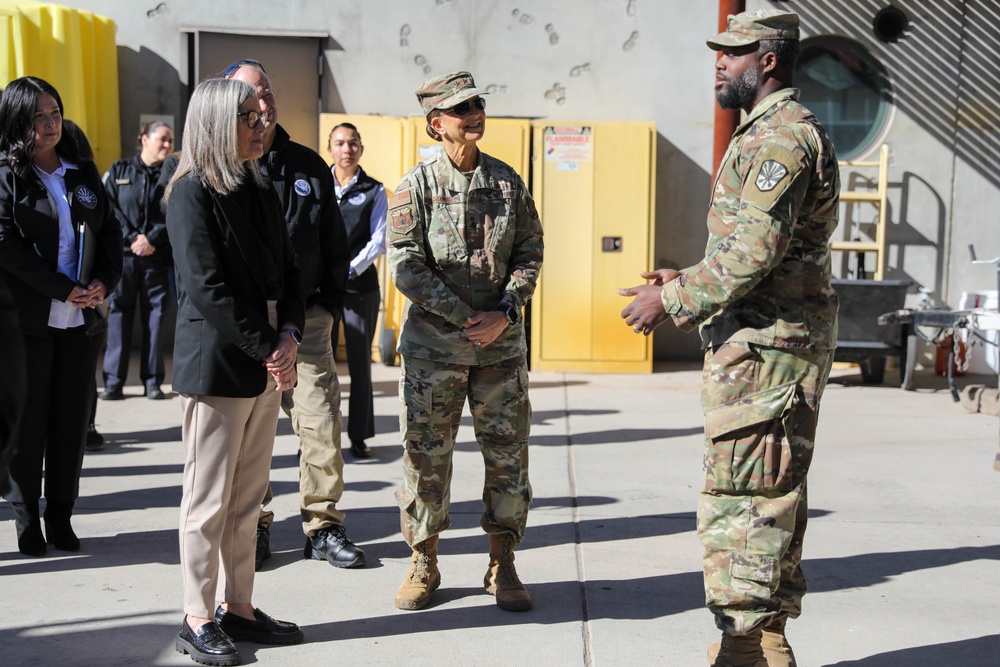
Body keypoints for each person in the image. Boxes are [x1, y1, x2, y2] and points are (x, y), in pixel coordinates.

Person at [618, 10, 839, 667]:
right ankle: (766, 640)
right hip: (766, 350)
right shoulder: (770, 132)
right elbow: (760, 252)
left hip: (766, 359)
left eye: (733, 52)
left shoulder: (781, 139)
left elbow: (753, 253)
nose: (719, 61)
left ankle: (745, 646)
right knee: (770, 501)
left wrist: (675, 298)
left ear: (768, 61)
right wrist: (684, 274)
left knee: (742, 506)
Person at [387, 71, 544, 612]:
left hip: (499, 351)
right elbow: (405, 266)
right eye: (461, 109)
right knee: (426, 458)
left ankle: (504, 562)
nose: (474, 112)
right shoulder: (417, 187)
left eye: (477, 103)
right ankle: (423, 560)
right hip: (435, 353)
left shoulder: (506, 182)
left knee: (508, 457)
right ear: (437, 124)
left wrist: (503, 312)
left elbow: (530, 252)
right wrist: (463, 315)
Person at [164, 77, 305, 666]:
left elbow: (291, 272)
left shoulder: (261, 184)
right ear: (216, 122)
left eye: (262, 113)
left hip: (266, 357)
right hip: (220, 363)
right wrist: (267, 347)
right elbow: (207, 288)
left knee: (248, 500)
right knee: (207, 501)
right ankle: (198, 616)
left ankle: (238, 608)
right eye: (248, 115)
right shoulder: (190, 192)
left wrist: (290, 335)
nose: (261, 122)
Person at [224, 60, 365, 570]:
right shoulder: (225, 164)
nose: (264, 101)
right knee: (248, 431)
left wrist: (328, 301)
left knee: (320, 422)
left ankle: (323, 525)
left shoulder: (307, 165)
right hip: (246, 325)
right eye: (252, 94)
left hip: (305, 318)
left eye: (268, 89)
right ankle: (253, 525)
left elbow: (334, 242)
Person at [0, 76, 122, 556]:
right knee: (29, 423)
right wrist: (62, 288)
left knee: (71, 423)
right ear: (17, 121)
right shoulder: (7, 175)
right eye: (39, 117)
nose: (51, 125)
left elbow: (110, 233)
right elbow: (4, 244)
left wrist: (103, 283)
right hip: (28, 321)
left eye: (55, 113)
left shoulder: (81, 173)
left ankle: (62, 514)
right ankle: (27, 517)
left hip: (80, 323)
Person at [100, 121, 175, 401]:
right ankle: (113, 382)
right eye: (162, 139)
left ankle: (153, 382)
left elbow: (177, 211)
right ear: (144, 139)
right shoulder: (119, 170)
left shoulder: (172, 175)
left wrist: (152, 238)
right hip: (124, 258)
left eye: (171, 141)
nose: (167, 146)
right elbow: (108, 207)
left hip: (157, 259)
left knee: (156, 319)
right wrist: (133, 237)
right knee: (119, 316)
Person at [328, 122, 388, 460]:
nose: (346, 149)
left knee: (360, 366)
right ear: (330, 149)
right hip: (322, 290)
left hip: (359, 288)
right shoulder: (316, 185)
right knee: (318, 367)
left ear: (361, 150)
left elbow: (379, 239)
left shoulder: (374, 189)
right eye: (340, 143)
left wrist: (349, 269)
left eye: (353, 143)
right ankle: (316, 436)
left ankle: (359, 436)